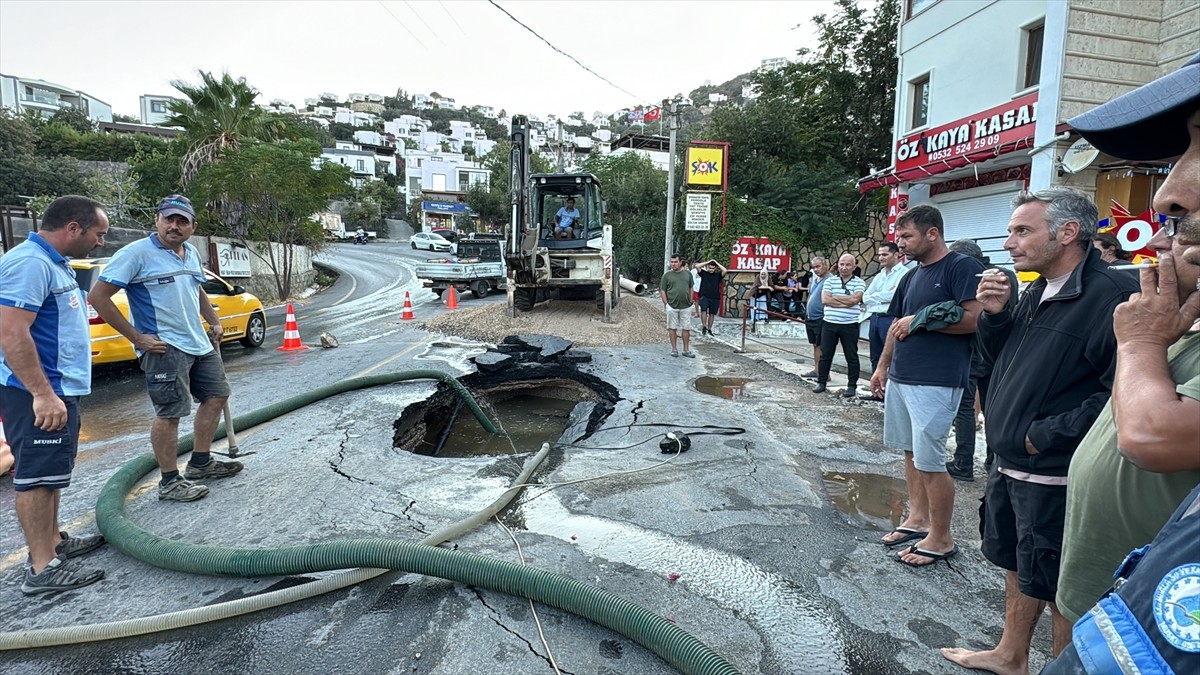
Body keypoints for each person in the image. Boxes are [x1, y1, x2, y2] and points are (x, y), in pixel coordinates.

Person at [939, 187, 1138, 673]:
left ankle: (1062, 667)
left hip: (1054, 472)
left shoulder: (1111, 297)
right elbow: (1003, 358)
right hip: (1012, 463)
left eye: (1022, 231)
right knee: (1019, 563)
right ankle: (1011, 654)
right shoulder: (1038, 285)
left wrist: (1042, 436)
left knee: (1063, 586)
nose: (1009, 243)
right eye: (1011, 231)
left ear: (1068, 233)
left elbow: (1120, 394)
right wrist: (995, 316)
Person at [1045, 53, 1200, 670]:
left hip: (1148, 627)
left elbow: (1151, 436)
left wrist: (1138, 345)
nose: (1167, 195)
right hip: (1105, 591)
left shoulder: (1138, 319)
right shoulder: (1175, 320)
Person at [88, 194, 243, 503]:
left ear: (192, 226)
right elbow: (98, 297)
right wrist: (137, 338)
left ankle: (200, 463)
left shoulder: (191, 254)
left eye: (182, 221)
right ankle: (170, 481)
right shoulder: (136, 254)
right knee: (170, 413)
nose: (174, 226)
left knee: (217, 396)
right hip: (164, 347)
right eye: (169, 219)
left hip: (198, 341)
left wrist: (213, 320)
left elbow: (196, 288)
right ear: (157, 220)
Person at [0, 195, 110, 594]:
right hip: (36, 394)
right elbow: (12, 331)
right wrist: (42, 394)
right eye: (98, 234)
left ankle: (54, 543)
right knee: (34, 478)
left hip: (59, 390)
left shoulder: (52, 264)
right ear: (74, 228)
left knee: (52, 474)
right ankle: (42, 568)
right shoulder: (28, 264)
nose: (100, 243)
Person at [869, 205, 984, 565]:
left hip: (936, 380)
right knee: (909, 451)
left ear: (932, 233)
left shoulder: (962, 267)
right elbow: (895, 325)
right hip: (903, 376)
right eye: (899, 237)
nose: (901, 244)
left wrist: (921, 321)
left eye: (907, 237)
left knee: (931, 461)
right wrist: (882, 366)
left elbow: (976, 319)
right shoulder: (911, 275)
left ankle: (942, 538)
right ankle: (917, 518)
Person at [944, 239, 1018, 480]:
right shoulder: (1005, 274)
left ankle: (963, 463)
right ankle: (992, 461)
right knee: (992, 406)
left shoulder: (970, 275)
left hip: (971, 349)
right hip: (999, 350)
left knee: (965, 408)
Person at [815, 254, 866, 396]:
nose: (844, 267)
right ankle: (821, 382)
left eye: (848, 265)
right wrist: (846, 300)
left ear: (854, 266)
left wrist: (835, 298)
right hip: (829, 323)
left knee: (851, 355)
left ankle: (852, 386)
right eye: (841, 264)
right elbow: (825, 300)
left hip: (849, 324)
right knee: (825, 354)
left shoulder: (859, 282)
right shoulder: (830, 281)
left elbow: (855, 300)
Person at [861, 242, 909, 390]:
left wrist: (876, 296)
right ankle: (877, 390)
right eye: (879, 254)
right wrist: (882, 296)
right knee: (876, 356)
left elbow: (895, 296)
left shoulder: (904, 273)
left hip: (890, 318)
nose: (881, 258)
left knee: (891, 355)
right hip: (875, 318)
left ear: (896, 255)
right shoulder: (880, 275)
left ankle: (890, 391)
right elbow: (865, 297)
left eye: (884, 254)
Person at [659, 254, 696, 358]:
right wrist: (666, 304)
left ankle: (686, 350)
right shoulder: (667, 276)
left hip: (686, 306)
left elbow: (691, 287)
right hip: (672, 306)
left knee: (686, 328)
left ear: (680, 262)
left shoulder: (687, 274)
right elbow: (663, 290)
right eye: (672, 262)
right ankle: (674, 349)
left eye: (675, 262)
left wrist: (691, 300)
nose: (673, 264)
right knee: (672, 328)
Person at [803, 257, 831, 377]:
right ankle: (817, 370)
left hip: (821, 317)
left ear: (825, 265)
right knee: (815, 344)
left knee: (822, 346)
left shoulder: (830, 280)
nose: (815, 269)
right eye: (813, 267)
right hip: (811, 317)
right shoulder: (815, 279)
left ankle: (824, 373)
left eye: (818, 266)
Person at [694, 258, 726, 336]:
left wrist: (716, 262)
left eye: (713, 268)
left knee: (712, 314)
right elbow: (697, 266)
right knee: (703, 311)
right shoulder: (704, 273)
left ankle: (709, 329)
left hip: (715, 297)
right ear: (708, 267)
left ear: (715, 268)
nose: (711, 269)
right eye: (710, 268)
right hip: (704, 296)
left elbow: (725, 271)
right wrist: (708, 262)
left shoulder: (718, 275)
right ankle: (704, 326)